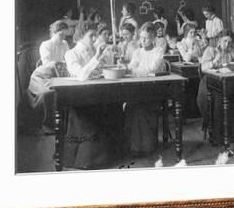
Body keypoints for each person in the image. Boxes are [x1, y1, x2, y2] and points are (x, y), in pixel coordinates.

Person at [62, 22, 124, 169]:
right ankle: (89, 159)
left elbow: (100, 72)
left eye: (96, 35)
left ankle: (114, 154)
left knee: (116, 107)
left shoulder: (92, 51)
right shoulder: (71, 54)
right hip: (79, 99)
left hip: (96, 95)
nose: (95, 38)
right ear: (80, 36)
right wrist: (96, 57)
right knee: (91, 116)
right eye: (91, 35)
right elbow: (82, 75)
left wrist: (107, 58)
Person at [196, 30, 234, 144]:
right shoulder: (211, 50)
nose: (227, 44)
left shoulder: (232, 53)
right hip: (209, 83)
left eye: (230, 42)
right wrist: (216, 60)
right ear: (219, 41)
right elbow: (203, 68)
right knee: (218, 97)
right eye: (225, 41)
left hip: (226, 83)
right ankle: (218, 136)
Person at [124, 22, 166, 156]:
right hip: (139, 88)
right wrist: (126, 68)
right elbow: (131, 66)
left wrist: (134, 71)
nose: (142, 41)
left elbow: (151, 69)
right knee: (130, 106)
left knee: (140, 108)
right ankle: (133, 146)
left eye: (146, 38)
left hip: (154, 89)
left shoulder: (158, 51)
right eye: (141, 38)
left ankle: (146, 147)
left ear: (153, 38)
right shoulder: (137, 52)